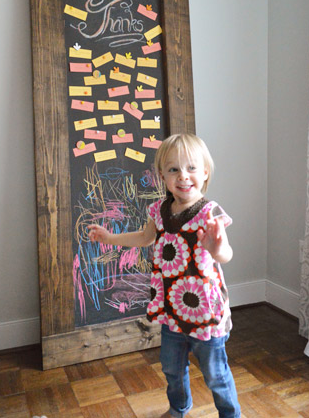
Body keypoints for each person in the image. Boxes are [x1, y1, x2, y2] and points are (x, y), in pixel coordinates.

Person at [89, 133, 241, 418]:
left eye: (192, 168)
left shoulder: (210, 212)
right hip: (171, 308)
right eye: (173, 169)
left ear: (205, 172)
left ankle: (231, 415)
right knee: (171, 367)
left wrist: (217, 247)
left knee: (215, 374)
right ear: (162, 175)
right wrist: (110, 237)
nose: (183, 176)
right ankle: (178, 408)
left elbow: (226, 255)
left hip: (205, 312)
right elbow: (145, 238)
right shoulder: (159, 210)